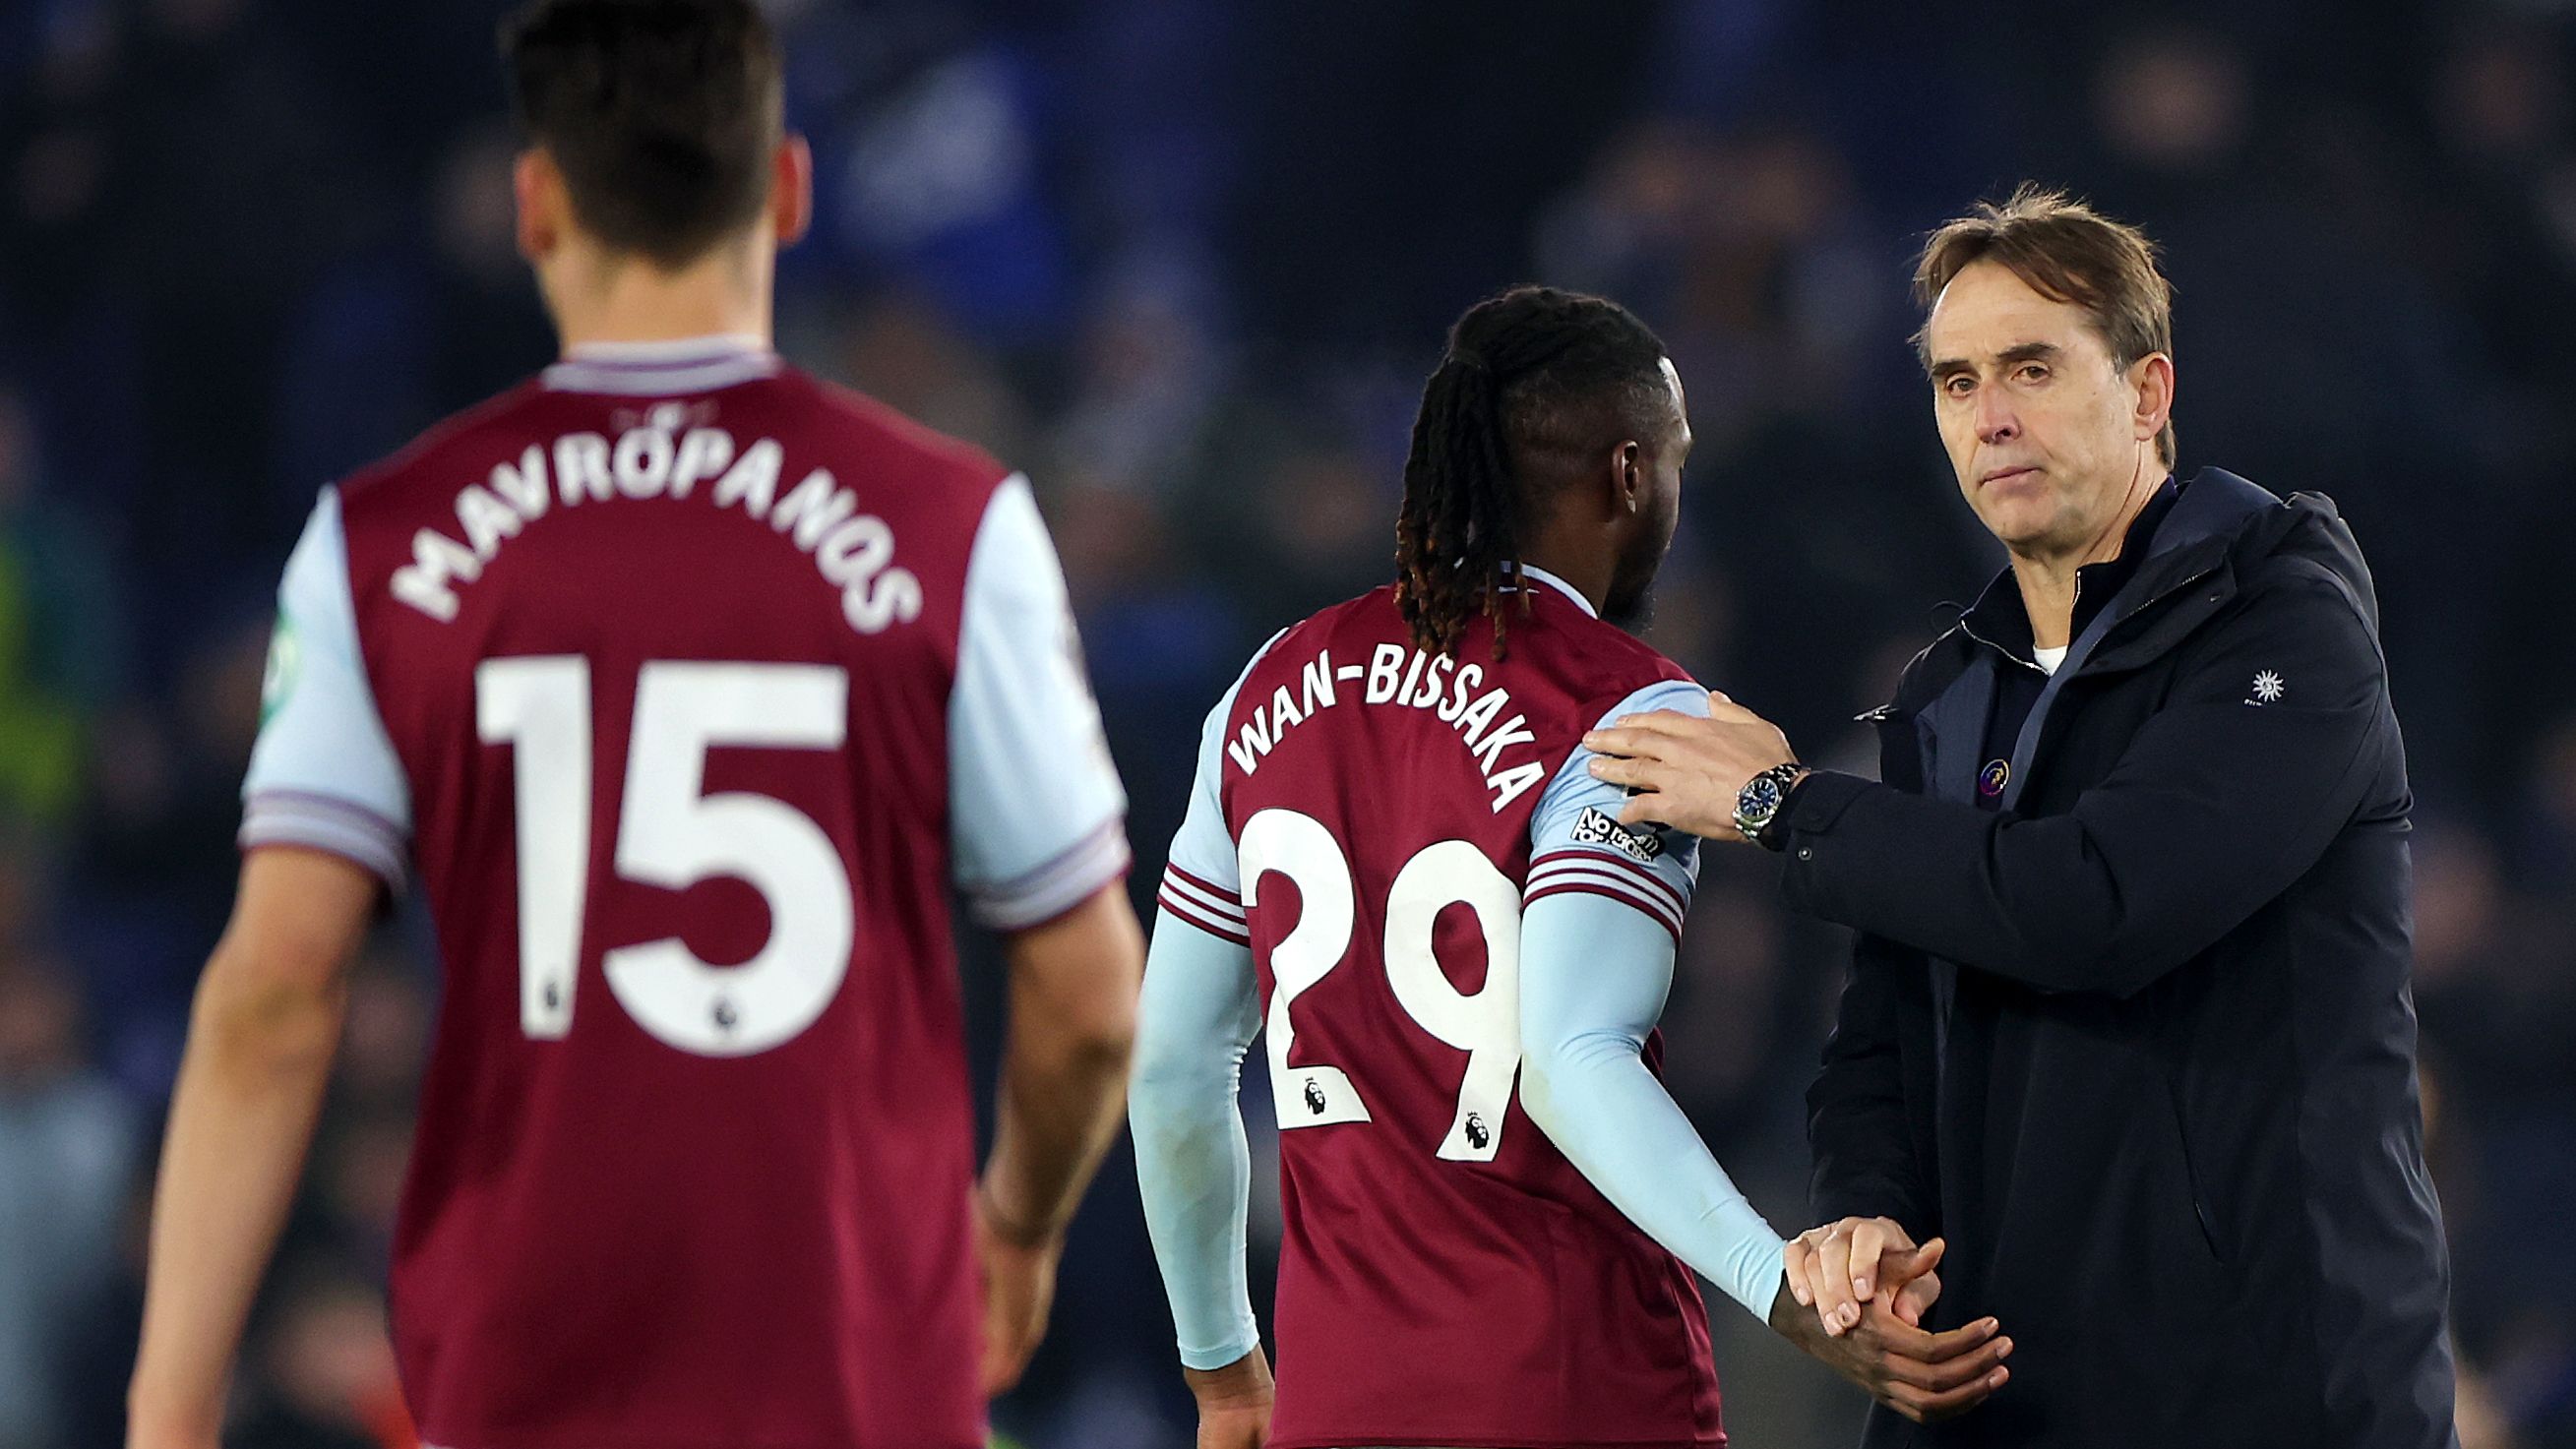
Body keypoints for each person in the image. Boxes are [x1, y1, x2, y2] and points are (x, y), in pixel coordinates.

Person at [124, 5, 1143, 1448]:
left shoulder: (377, 547)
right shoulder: (952, 528)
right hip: (856, 1384)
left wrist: (169, 1401)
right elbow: (1093, 992)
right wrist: (1017, 1227)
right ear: (787, 190)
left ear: (538, 205)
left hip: (525, 1385)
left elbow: (276, 996)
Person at [1585, 186, 2458, 1446]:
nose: (1988, 417)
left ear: (2147, 393)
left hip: (2263, 1388)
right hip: (2002, 1392)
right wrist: (1865, 1219)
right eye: (1953, 382)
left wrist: (1781, 803)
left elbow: (2098, 903)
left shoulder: (2281, 626)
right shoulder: (1946, 694)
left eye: (2030, 369)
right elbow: (1880, 1040)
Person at [1129, 285, 2011, 1449]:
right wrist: (1774, 1284)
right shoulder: (1623, 711)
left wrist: (1221, 1366)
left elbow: (1173, 1071)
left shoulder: (1264, 691)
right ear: (1628, 474)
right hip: (1568, 1387)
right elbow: (1566, 1054)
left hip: (1337, 1404)